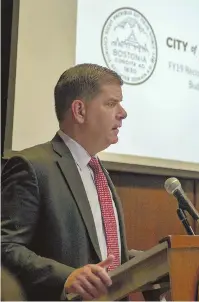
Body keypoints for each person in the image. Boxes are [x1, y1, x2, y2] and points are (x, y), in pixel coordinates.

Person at [1, 63, 131, 301]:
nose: (123, 113)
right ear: (79, 111)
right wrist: (66, 277)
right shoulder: (32, 166)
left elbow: (104, 252)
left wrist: (157, 262)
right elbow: (6, 247)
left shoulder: (98, 171)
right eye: (111, 103)